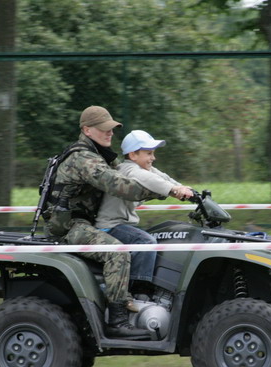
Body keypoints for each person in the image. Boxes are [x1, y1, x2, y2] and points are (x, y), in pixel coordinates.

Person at [43, 106, 163, 338]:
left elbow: (134, 173)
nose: (110, 133)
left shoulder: (99, 154)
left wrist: (176, 186)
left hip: (87, 222)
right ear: (87, 130)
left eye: (111, 129)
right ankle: (117, 320)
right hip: (69, 226)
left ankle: (141, 302)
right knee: (117, 252)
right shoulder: (83, 158)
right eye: (104, 129)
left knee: (146, 239)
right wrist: (162, 191)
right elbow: (119, 185)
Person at [95, 130, 193, 295]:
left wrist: (186, 189)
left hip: (122, 225)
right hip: (110, 226)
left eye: (153, 153)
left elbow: (162, 177)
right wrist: (173, 190)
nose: (153, 158)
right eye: (149, 153)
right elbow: (150, 179)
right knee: (146, 242)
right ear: (133, 155)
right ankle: (138, 290)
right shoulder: (128, 170)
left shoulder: (140, 168)